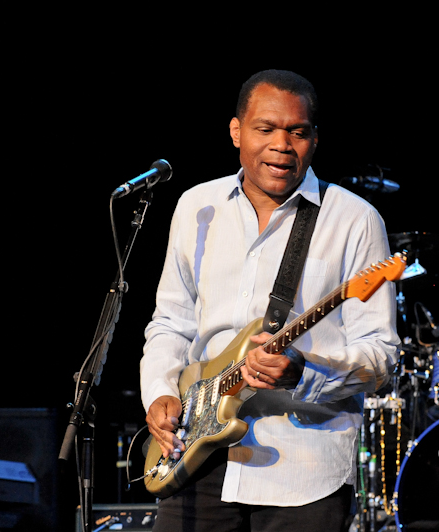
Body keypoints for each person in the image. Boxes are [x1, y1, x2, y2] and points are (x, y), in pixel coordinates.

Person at [140, 69, 400, 532]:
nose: (282, 144)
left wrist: (305, 370)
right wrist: (160, 392)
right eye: (265, 129)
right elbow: (170, 322)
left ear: (314, 139)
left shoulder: (356, 220)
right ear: (236, 131)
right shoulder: (197, 207)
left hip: (304, 470)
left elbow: (381, 355)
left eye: (297, 132)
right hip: (193, 460)